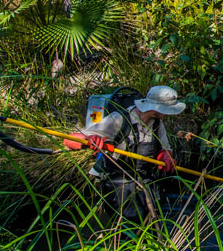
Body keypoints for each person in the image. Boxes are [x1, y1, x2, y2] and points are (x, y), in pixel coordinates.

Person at [64, 85, 185, 222]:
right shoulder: (119, 119)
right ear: (157, 108)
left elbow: (165, 147)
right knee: (128, 229)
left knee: (149, 225)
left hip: (144, 183)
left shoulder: (157, 123)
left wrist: (167, 156)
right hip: (118, 184)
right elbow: (69, 140)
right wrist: (89, 139)